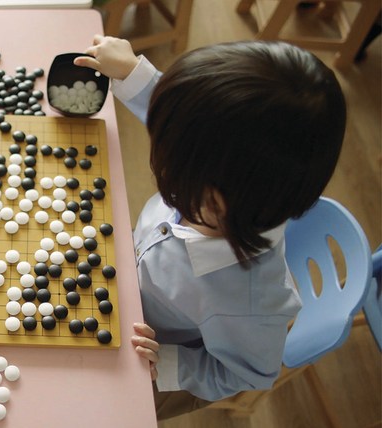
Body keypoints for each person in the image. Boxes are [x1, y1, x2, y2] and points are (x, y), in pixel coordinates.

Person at [75, 35, 345, 418]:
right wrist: (136, 74)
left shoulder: (249, 303)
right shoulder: (240, 178)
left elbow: (249, 373)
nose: (162, 152)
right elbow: (201, 126)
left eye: (171, 157)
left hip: (155, 354)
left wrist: (169, 363)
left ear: (212, 198)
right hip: (130, 286)